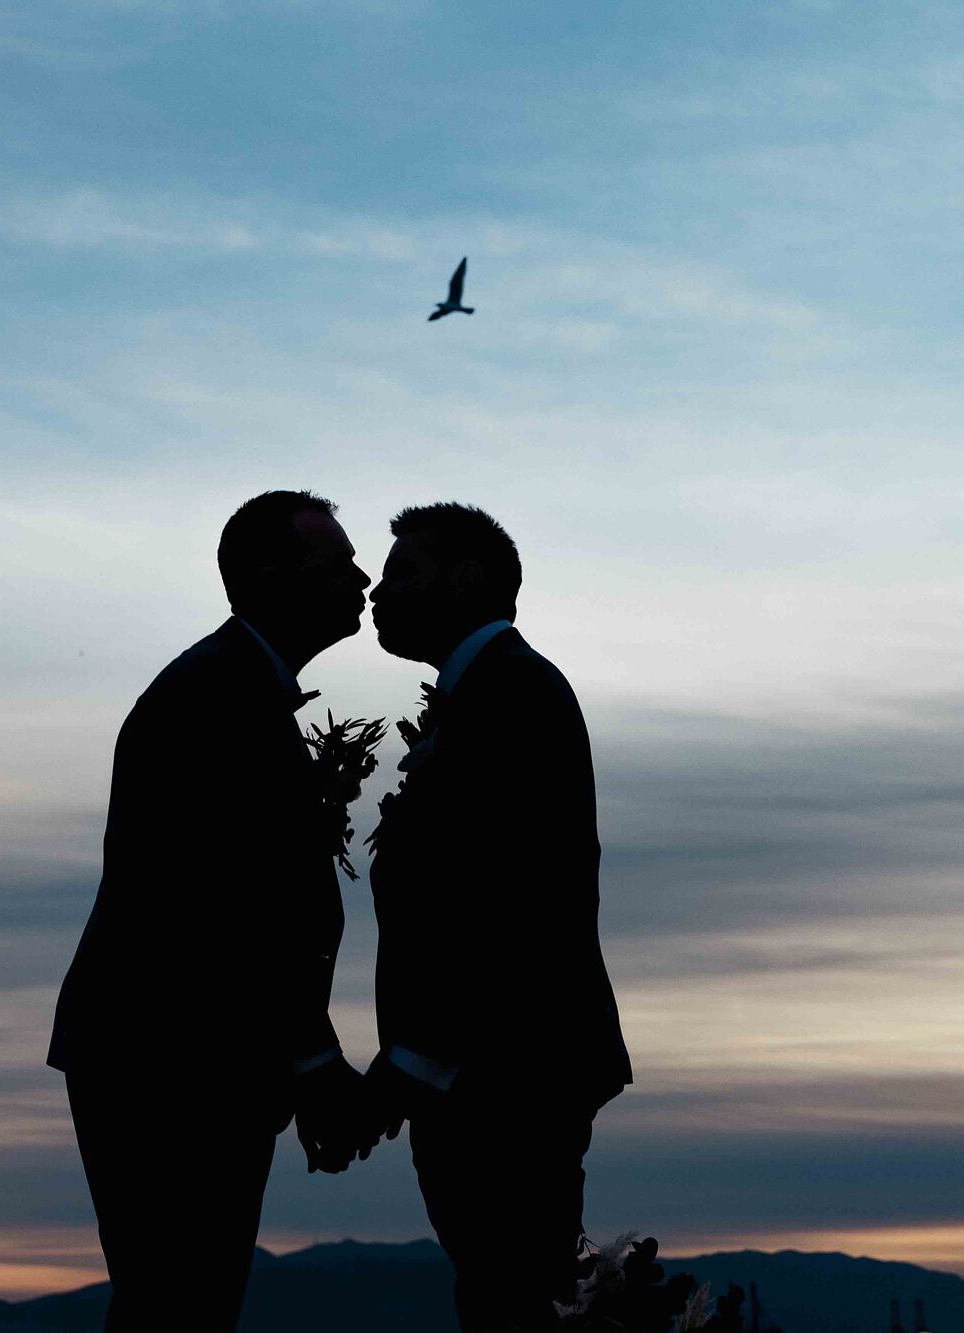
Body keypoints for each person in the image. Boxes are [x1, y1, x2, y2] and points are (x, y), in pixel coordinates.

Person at [48, 490, 377, 1330]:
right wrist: (312, 1062)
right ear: (266, 575)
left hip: (180, 1055)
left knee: (181, 1299)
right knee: (178, 1300)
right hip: (167, 1060)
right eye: (335, 563)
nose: (363, 578)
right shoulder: (215, 698)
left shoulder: (236, 688)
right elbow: (224, 909)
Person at [365, 501, 632, 1332]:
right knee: (499, 1291)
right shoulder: (485, 694)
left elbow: (506, 900)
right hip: (492, 1068)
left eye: (402, 572)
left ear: (467, 577)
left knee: (510, 1296)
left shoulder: (512, 696)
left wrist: (418, 1058)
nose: (378, 590)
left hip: (507, 1071)